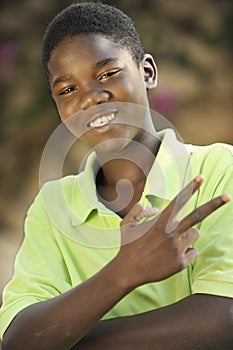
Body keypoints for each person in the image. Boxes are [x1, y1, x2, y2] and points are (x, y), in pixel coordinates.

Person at [0, 2, 233, 349]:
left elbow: (223, 320)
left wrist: (69, 341)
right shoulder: (54, 207)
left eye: (108, 73)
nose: (91, 99)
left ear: (148, 72)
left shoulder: (219, 170)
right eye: (67, 90)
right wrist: (123, 273)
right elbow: (19, 341)